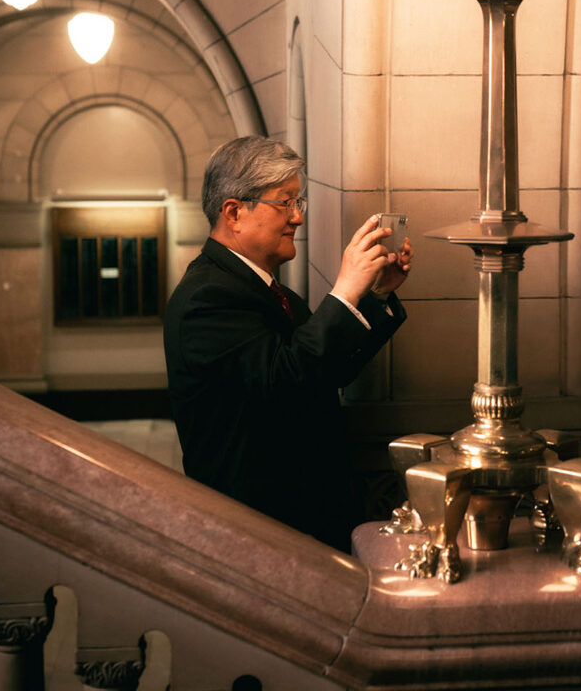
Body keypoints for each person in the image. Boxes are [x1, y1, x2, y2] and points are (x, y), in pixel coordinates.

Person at [163, 136, 412, 551]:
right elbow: (286, 378)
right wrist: (345, 292)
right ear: (234, 212)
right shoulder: (206, 298)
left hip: (303, 515)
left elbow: (325, 369)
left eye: (300, 202)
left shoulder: (262, 286)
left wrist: (376, 296)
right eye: (285, 202)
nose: (297, 218)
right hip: (261, 527)